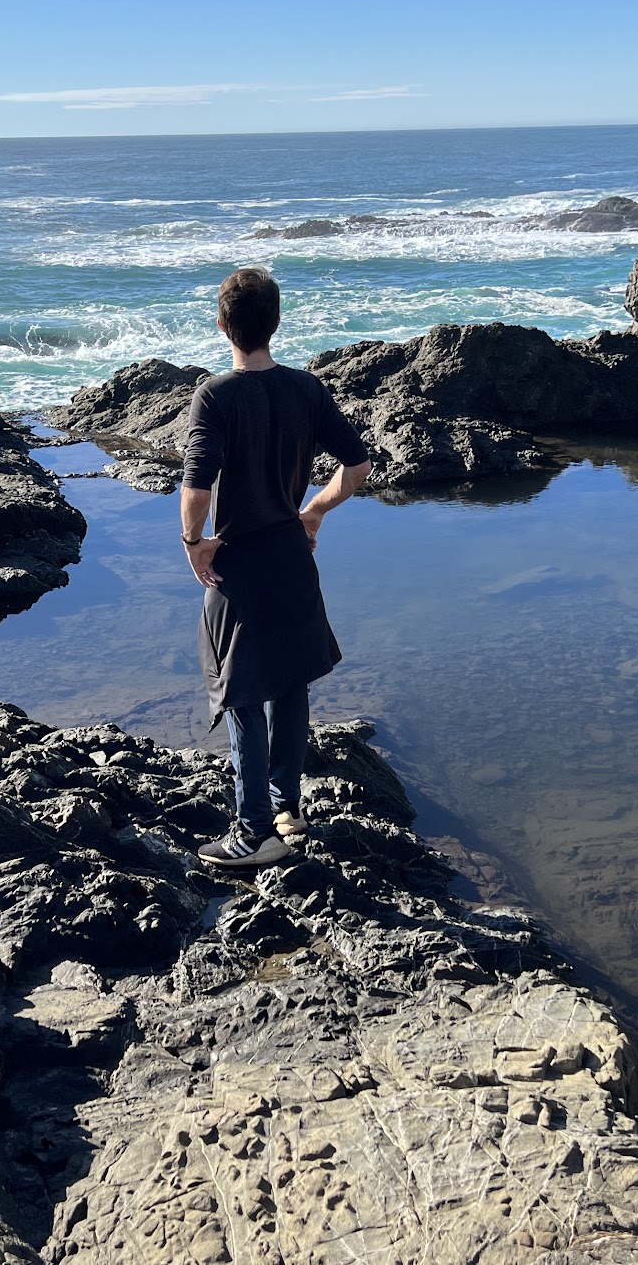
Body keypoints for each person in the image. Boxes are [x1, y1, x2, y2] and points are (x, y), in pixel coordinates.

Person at [180, 267, 373, 867]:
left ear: (222, 325)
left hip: (242, 564)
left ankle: (251, 831)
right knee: (289, 683)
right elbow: (358, 464)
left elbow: (196, 487)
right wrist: (312, 512)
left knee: (241, 693)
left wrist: (194, 541)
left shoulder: (215, 395)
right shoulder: (306, 390)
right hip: (292, 555)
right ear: (276, 322)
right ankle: (287, 807)